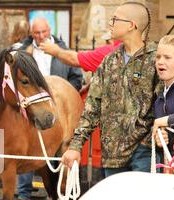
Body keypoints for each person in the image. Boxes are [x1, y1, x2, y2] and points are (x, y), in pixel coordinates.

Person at [62, 2, 158, 177]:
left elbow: (166, 104)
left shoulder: (156, 59)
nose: (110, 23)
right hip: (112, 156)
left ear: (131, 25)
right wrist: (75, 146)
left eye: (115, 19)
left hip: (144, 151)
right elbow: (92, 107)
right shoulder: (108, 61)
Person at [13, 17, 83, 200]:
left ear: (49, 30)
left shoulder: (62, 50)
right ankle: (24, 195)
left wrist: (65, 95)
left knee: (59, 153)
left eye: (44, 32)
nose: (41, 36)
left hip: (57, 104)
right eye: (36, 33)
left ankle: (65, 196)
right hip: (30, 106)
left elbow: (76, 78)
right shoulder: (22, 53)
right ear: (31, 34)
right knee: (24, 150)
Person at [153, 35, 174, 159]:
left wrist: (166, 120)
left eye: (167, 57)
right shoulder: (159, 97)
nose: (160, 61)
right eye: (158, 57)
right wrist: (161, 137)